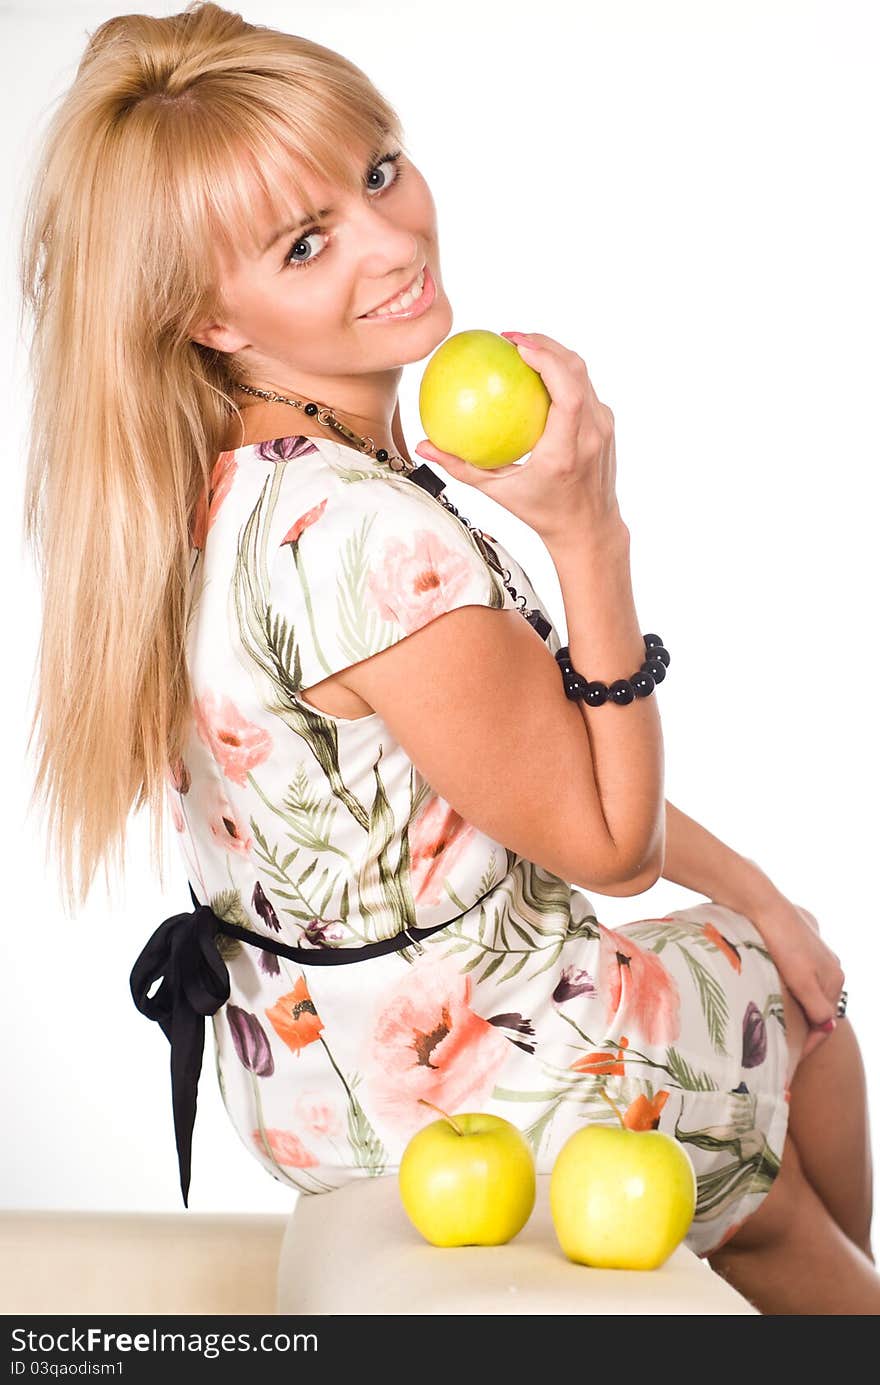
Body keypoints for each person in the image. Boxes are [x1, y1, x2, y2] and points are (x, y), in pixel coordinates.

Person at [18, 1, 876, 1314]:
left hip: (306, 1076)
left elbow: (513, 754)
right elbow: (607, 842)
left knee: (760, 938)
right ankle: (799, 1253)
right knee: (798, 1014)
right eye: (307, 243)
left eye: (377, 170)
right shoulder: (368, 540)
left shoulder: (207, 491)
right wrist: (590, 530)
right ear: (211, 317)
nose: (394, 239)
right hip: (481, 1069)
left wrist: (750, 881)